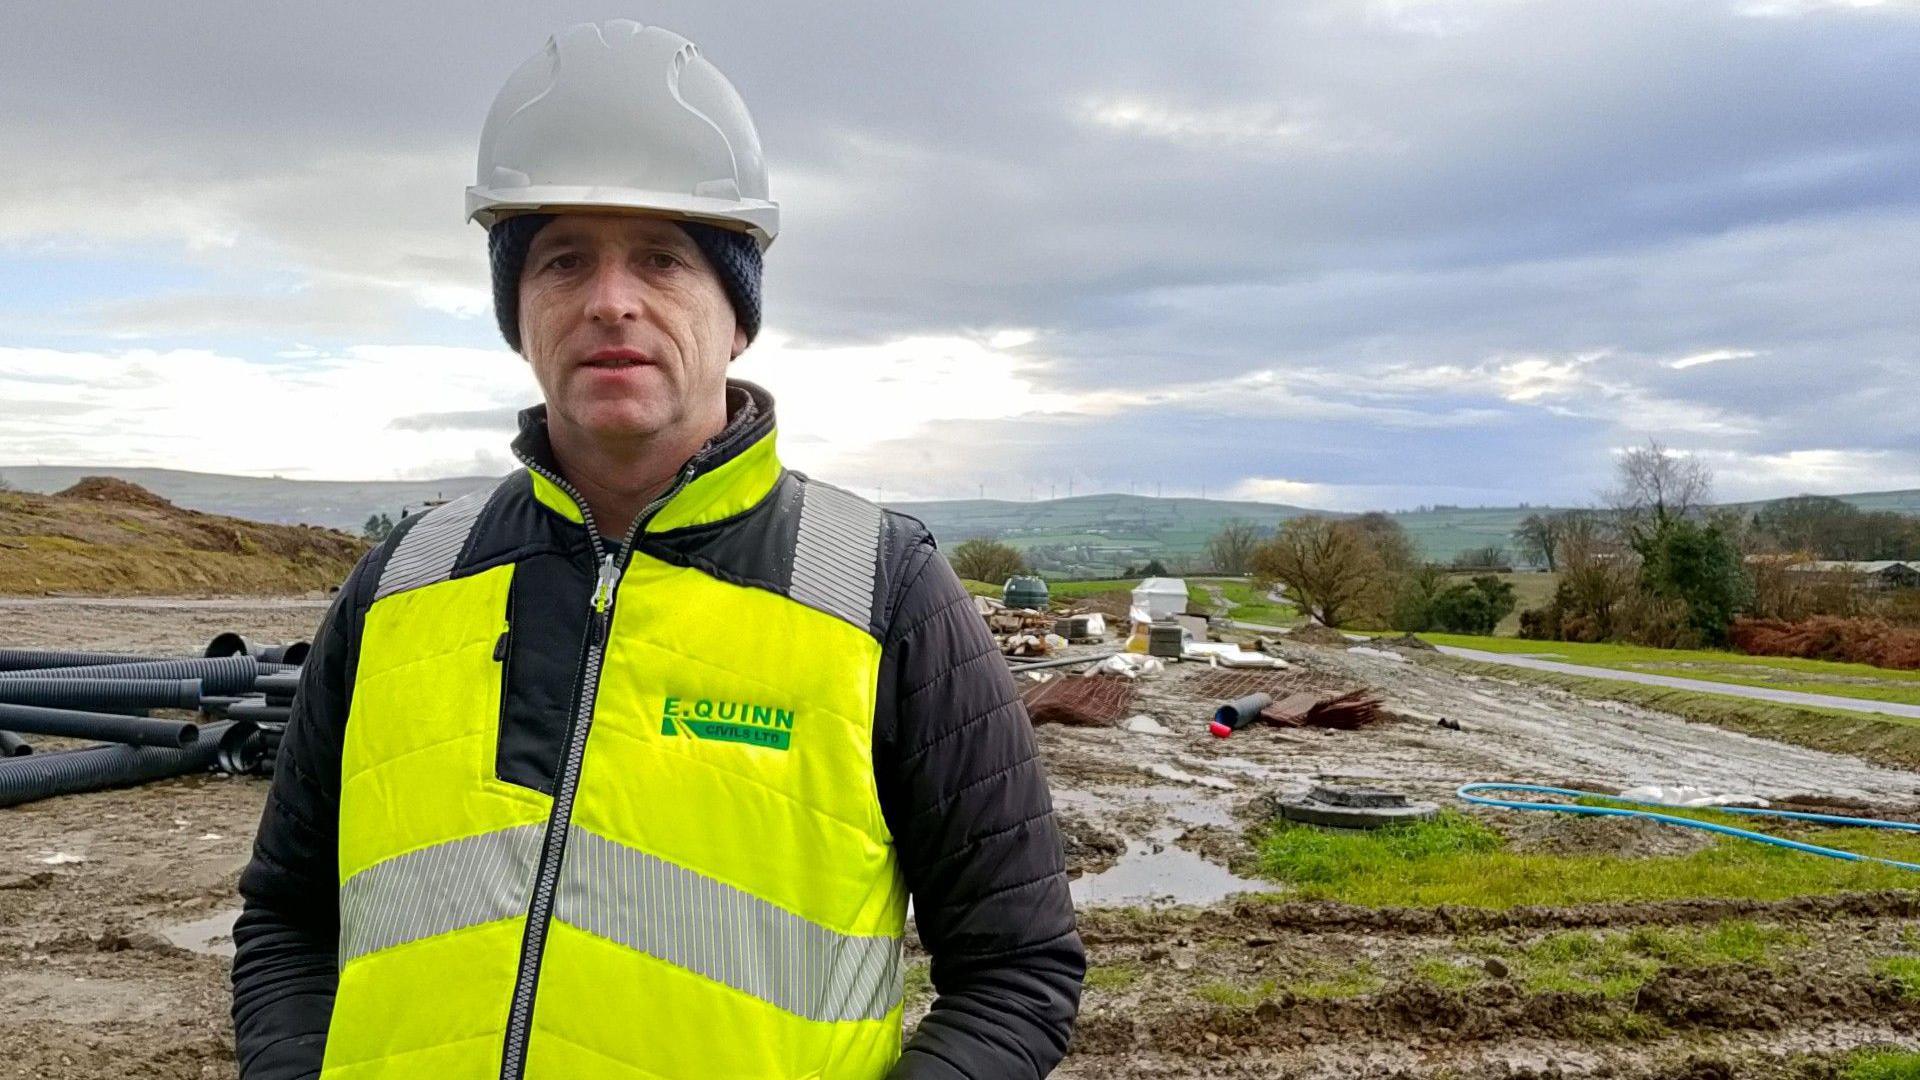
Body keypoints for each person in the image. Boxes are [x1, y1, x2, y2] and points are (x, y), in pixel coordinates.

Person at [229, 20, 1082, 1080]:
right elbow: (287, 921)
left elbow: (1019, 971)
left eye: (663, 259)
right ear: (519, 311)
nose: (610, 300)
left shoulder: (881, 589)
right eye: (563, 259)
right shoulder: (402, 583)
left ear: (737, 318)